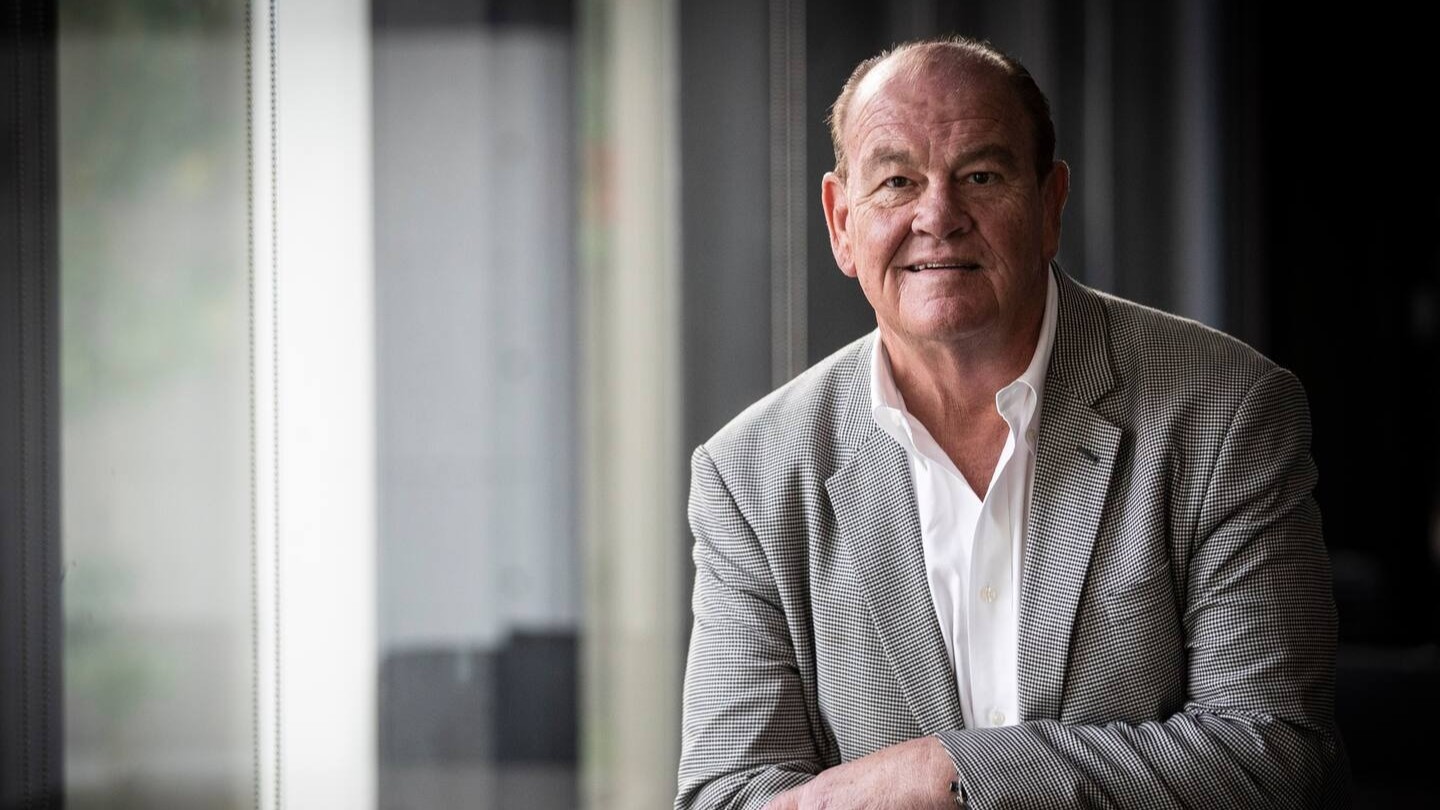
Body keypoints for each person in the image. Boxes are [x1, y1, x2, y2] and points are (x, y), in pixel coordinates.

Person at [676, 36, 1350, 809]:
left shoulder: (1225, 410)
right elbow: (727, 793)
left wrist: (949, 774)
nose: (938, 216)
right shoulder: (751, 473)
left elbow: (1271, 751)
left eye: (981, 176)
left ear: (1050, 204)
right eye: (896, 182)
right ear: (841, 223)